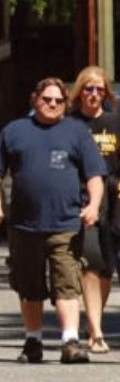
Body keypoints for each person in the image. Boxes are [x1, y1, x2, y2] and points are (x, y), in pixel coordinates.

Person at [0, 77, 105, 364]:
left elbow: (95, 176)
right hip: (24, 225)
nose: (52, 104)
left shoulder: (77, 133)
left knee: (67, 282)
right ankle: (33, 340)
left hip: (65, 224)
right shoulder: (15, 131)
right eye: (47, 99)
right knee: (29, 285)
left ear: (65, 103)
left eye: (58, 101)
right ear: (35, 100)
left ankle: (70, 341)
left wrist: (94, 205)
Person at [67, 67, 119, 353]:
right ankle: (96, 331)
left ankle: (92, 323)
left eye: (100, 89)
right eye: (89, 89)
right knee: (90, 263)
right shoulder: (70, 124)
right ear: (80, 92)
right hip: (81, 199)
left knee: (106, 270)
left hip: (114, 200)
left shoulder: (115, 122)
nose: (94, 94)